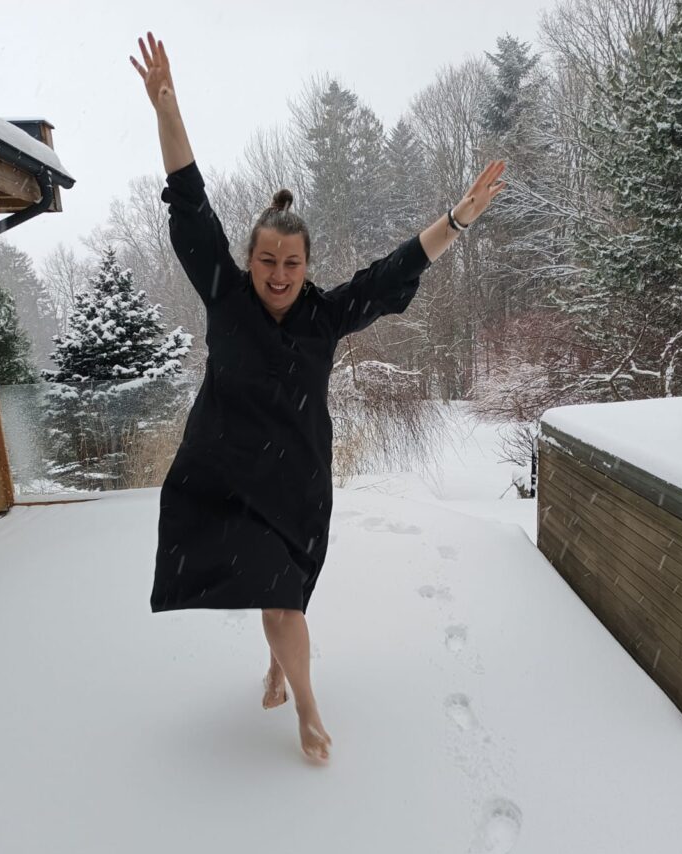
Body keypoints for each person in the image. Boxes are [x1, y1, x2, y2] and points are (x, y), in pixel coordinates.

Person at [130, 32, 506, 765]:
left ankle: (278, 667)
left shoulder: (325, 316)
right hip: (226, 478)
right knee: (277, 596)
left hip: (296, 482)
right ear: (249, 260)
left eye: (292, 263)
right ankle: (307, 709)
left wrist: (457, 220)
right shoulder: (226, 299)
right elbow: (191, 205)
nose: (278, 274)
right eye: (267, 260)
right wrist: (167, 110)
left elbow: (394, 271)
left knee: (285, 597)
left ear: (307, 265)